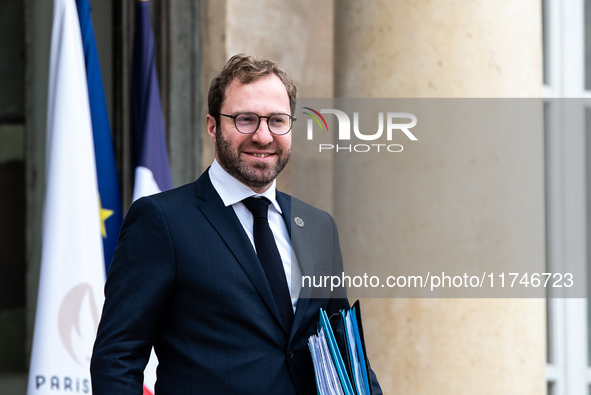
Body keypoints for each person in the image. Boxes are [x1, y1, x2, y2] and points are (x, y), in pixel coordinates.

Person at [90, 54, 381, 394]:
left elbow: (346, 355)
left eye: (276, 120)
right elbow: (116, 359)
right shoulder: (162, 221)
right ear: (213, 126)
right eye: (245, 120)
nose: (262, 136)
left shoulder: (318, 226)